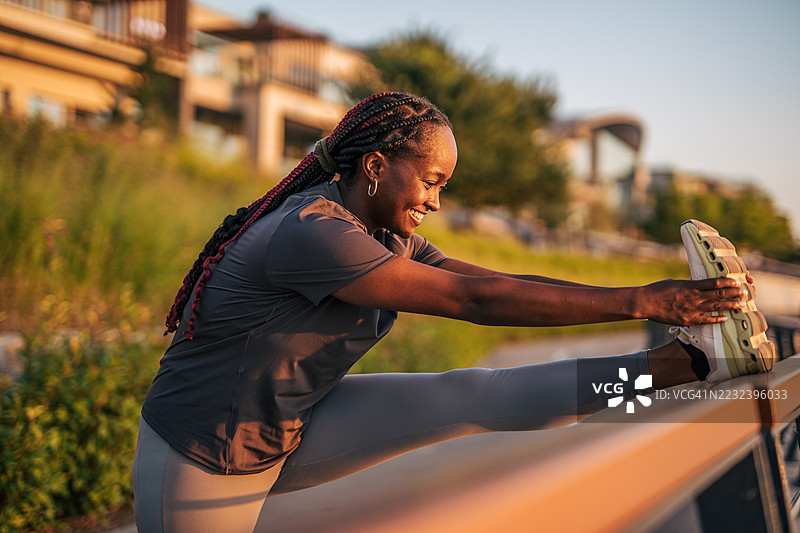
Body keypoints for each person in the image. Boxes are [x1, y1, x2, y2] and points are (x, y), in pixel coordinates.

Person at [132, 92, 774, 532]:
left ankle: (684, 364)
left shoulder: (385, 232)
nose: (437, 201)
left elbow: (497, 281)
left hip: (287, 426)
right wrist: (642, 300)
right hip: (200, 459)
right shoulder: (311, 232)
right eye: (432, 180)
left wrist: (652, 299)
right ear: (377, 166)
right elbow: (474, 303)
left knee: (473, 396)